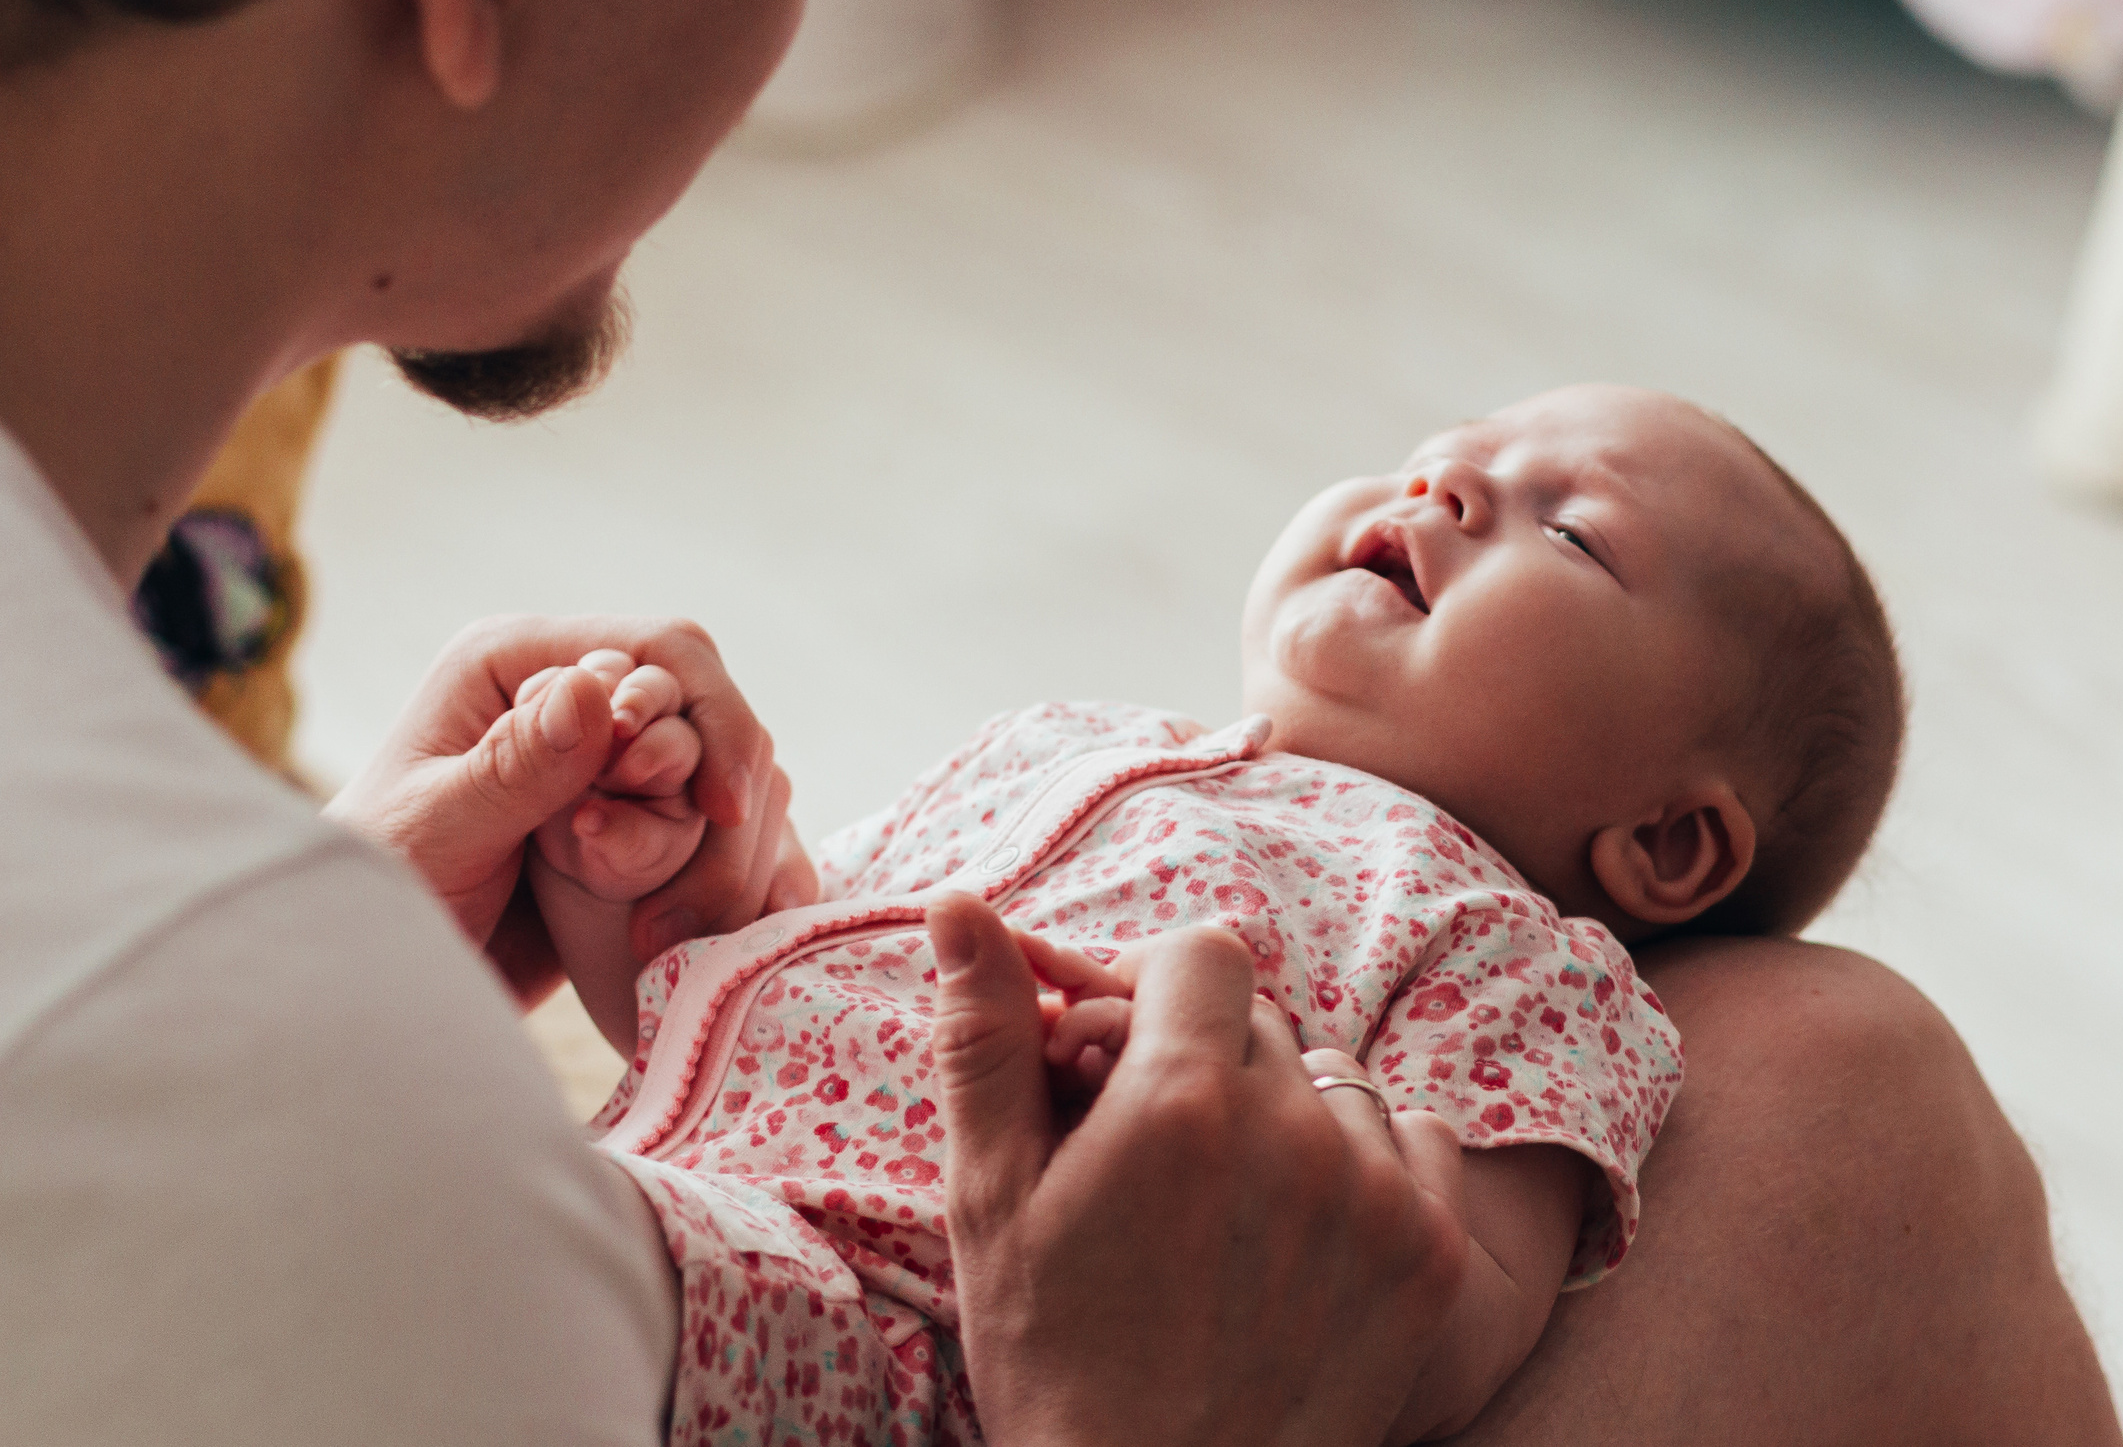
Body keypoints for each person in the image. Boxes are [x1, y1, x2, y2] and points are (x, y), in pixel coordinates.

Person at [0, 0, 2123, 1446]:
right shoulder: (241, 1107)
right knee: (1832, 1100)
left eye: (1560, 531)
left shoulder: (195, 988)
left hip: (669, 1199)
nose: (1438, 487)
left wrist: (679, 938)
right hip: (792, 1310)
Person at [518, 384, 1898, 1444]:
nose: (1450, 483)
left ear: (1664, 841)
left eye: (1575, 530)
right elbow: (776, 978)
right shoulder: (1071, 738)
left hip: (884, 1338)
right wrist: (643, 891)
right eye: (1450, 447)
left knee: (500, 1267)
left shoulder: (1510, 951)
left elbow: (1441, 1292)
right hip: (676, 1183)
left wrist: (1263, 1130)